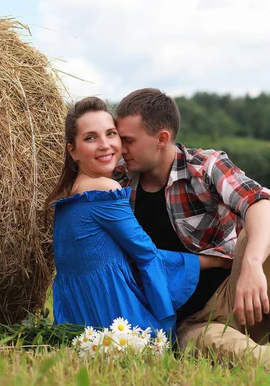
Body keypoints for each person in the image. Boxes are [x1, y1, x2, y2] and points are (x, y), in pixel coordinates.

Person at [113, 88, 270, 368]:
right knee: (230, 351)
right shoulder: (118, 181)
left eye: (128, 141)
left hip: (237, 293)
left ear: (162, 139)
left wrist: (252, 264)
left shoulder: (205, 167)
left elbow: (263, 204)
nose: (121, 149)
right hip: (190, 321)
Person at [43, 97, 230, 336]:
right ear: (72, 150)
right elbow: (147, 255)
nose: (105, 145)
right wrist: (218, 261)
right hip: (117, 319)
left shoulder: (71, 195)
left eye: (111, 134)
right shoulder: (104, 189)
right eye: (90, 137)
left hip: (80, 323)